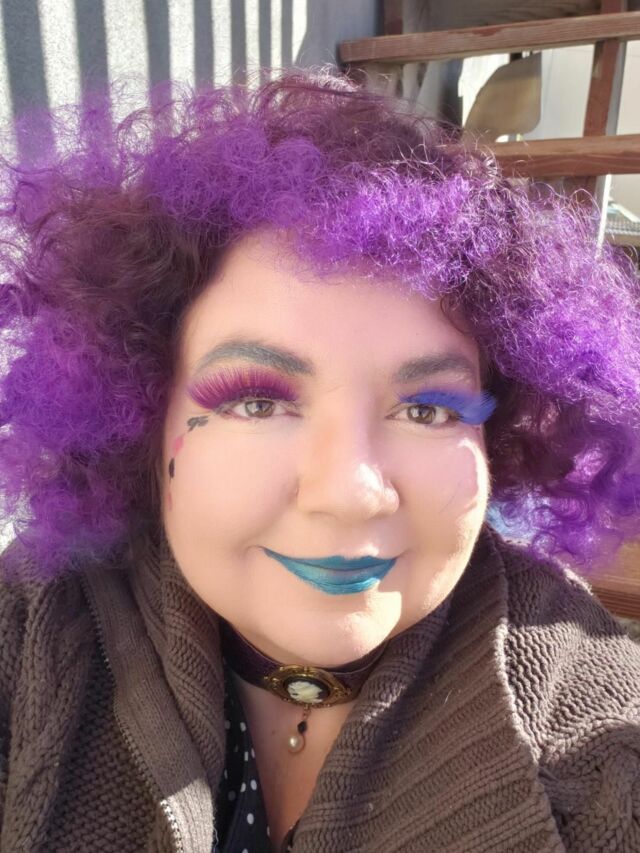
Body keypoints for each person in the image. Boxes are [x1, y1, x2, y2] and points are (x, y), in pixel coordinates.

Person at [0, 69, 639, 853]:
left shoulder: (590, 719)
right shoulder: (35, 621)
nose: (349, 492)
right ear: (143, 417)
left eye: (428, 410)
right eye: (257, 401)